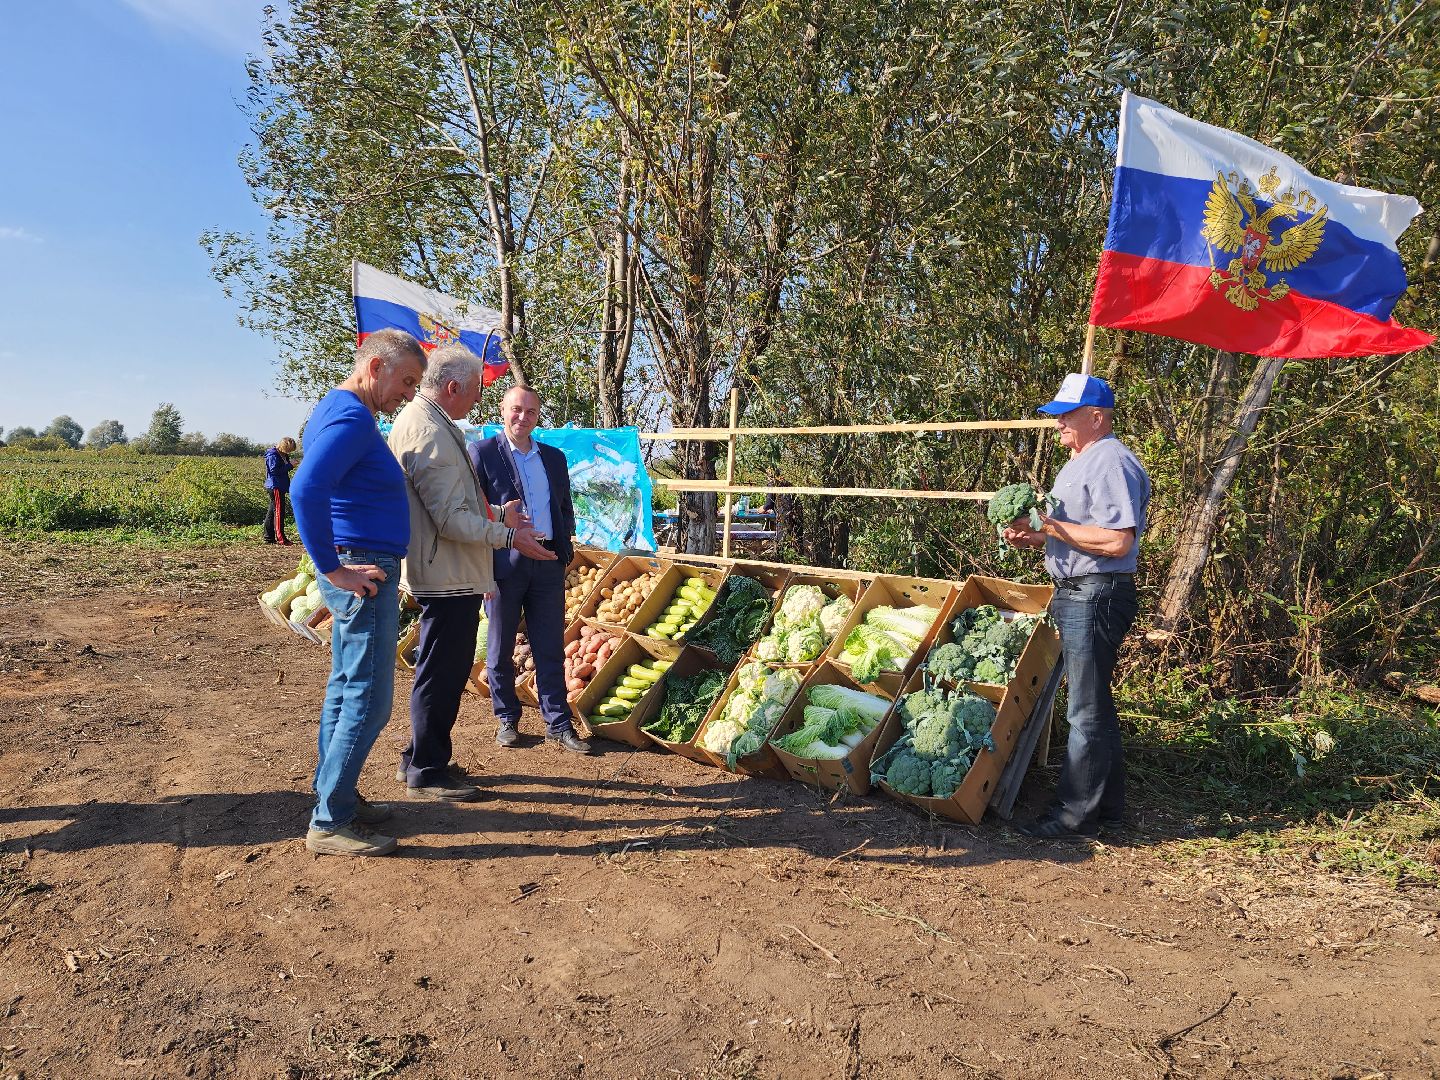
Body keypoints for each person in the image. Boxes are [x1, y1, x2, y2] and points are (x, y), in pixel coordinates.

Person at [387, 345, 555, 802]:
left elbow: (453, 504)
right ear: (453, 387)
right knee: (442, 670)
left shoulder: (429, 424)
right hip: (445, 574)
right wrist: (506, 536)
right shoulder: (431, 434)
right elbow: (449, 519)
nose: (479, 401)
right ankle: (429, 769)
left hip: (447, 568)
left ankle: (419, 757)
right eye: (478, 392)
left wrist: (499, 513)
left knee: (439, 668)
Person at [290, 328, 426, 858]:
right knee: (368, 700)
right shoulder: (350, 417)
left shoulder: (336, 410)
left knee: (346, 688)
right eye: (406, 380)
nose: (409, 394)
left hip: (357, 563)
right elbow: (305, 488)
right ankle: (330, 820)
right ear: (374, 368)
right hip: (362, 570)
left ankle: (337, 795)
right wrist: (333, 569)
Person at [1002, 373, 1150, 841]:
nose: (1058, 423)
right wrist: (1038, 538)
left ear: (1096, 417)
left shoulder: (1111, 462)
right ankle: (1108, 808)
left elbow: (1116, 539)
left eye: (1066, 415)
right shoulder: (1081, 461)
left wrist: (1052, 528)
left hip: (1097, 593)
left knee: (1083, 711)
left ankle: (1071, 816)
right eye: (1056, 415)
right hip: (1078, 591)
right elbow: (1078, 533)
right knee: (1095, 705)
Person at [468, 385, 589, 753]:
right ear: (502, 411)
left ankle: (558, 722)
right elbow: (473, 509)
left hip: (549, 563)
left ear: (538, 416)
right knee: (501, 645)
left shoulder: (553, 457)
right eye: (516, 410)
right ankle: (507, 718)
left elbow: (564, 504)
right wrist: (483, 565)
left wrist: (564, 543)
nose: (523, 417)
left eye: (531, 412)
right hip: (505, 563)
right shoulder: (484, 453)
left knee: (550, 644)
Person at [262, 437, 297, 545]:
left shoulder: (282, 454)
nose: (289, 452)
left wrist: (289, 465)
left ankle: (268, 537)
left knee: (272, 512)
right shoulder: (273, 455)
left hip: (279, 485)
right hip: (275, 486)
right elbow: (274, 471)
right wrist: (290, 465)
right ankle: (281, 538)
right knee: (279, 512)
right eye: (289, 449)